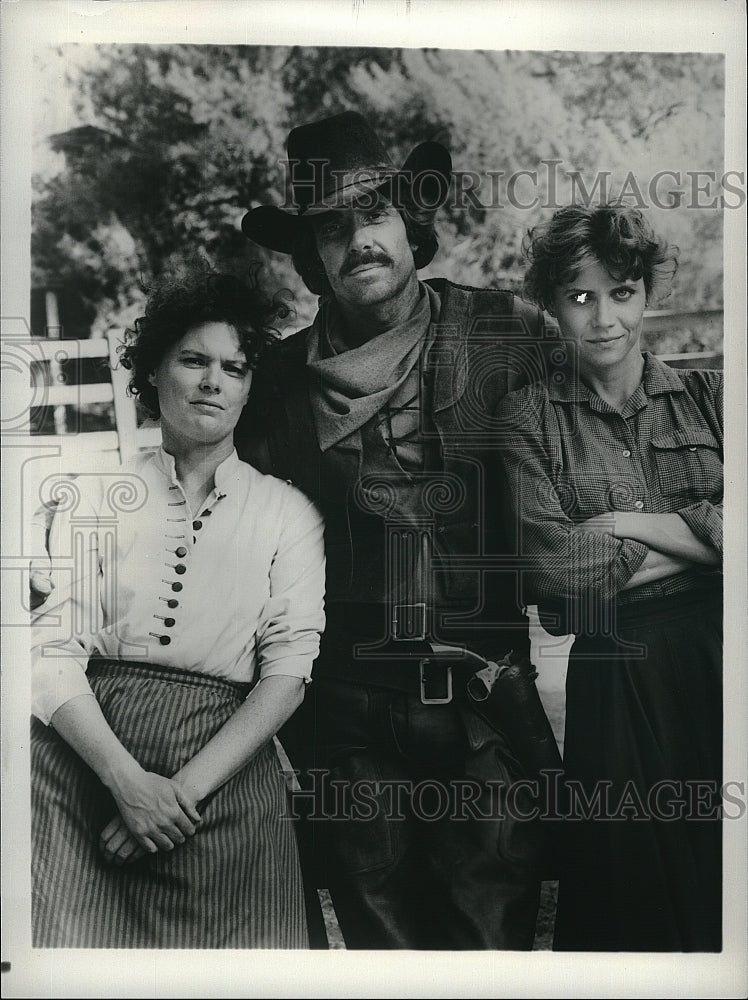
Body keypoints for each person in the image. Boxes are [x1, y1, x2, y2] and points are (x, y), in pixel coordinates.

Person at [238, 110, 561, 950]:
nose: (359, 241)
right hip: (346, 725)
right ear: (313, 258)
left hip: (484, 707)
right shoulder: (272, 384)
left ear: (412, 228)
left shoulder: (507, 333)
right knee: (386, 956)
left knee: (490, 948)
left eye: (375, 214)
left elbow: (604, 442)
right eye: (332, 228)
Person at [29, 264, 326, 948]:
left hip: (222, 785)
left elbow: (288, 674)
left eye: (235, 366)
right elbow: (49, 652)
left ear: (252, 387)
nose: (213, 381)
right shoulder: (96, 497)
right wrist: (125, 783)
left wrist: (179, 796)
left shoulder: (286, 513)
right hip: (81, 777)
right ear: (154, 371)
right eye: (193, 359)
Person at [496, 204, 723, 951]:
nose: (603, 319)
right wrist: (706, 532)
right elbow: (558, 578)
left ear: (647, 294)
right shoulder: (527, 419)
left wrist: (617, 525)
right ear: (553, 303)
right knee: (639, 904)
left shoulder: (715, 400)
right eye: (580, 297)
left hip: (726, 661)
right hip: (618, 680)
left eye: (621, 293)